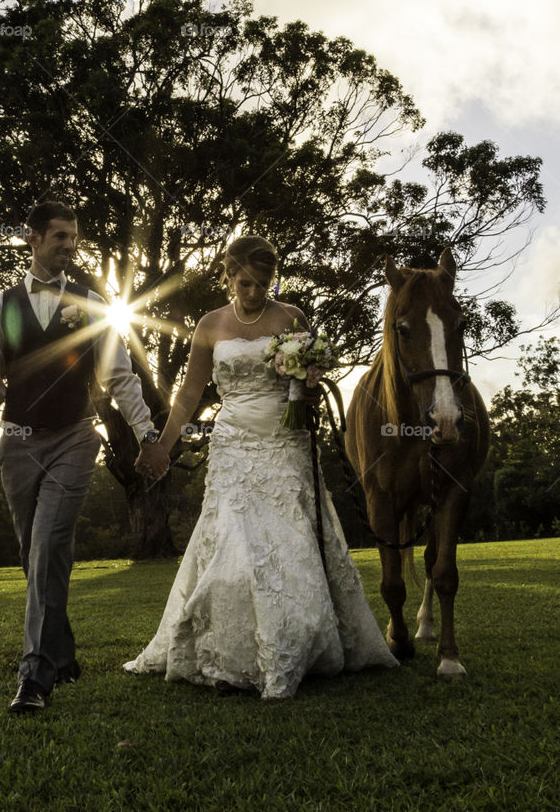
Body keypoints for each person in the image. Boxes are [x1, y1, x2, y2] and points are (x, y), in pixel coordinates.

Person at [128, 236, 398, 699]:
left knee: (290, 539)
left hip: (285, 440)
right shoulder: (210, 325)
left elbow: (310, 379)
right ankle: (230, 655)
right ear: (228, 277)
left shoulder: (291, 318)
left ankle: (300, 643)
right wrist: (163, 447)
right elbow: (190, 394)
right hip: (233, 442)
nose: (254, 292)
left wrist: (310, 380)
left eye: (263, 283)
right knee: (235, 540)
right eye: (245, 283)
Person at [0, 200, 161, 714]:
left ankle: (35, 676)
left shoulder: (93, 304)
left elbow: (119, 377)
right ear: (32, 238)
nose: (69, 246)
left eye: (73, 238)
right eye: (59, 238)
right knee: (35, 557)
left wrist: (146, 432)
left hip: (74, 440)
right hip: (18, 445)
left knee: (47, 548)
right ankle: (63, 654)